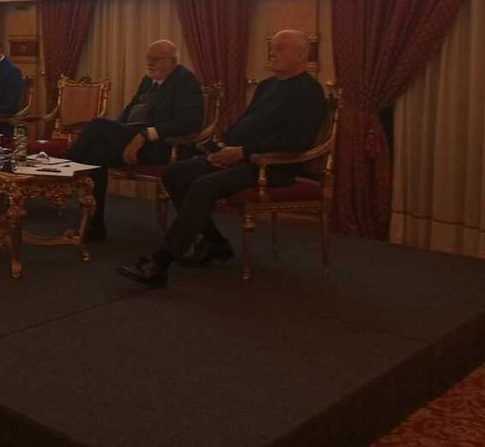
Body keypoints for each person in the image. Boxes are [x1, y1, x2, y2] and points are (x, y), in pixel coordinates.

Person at [117, 29, 326, 290]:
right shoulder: (267, 86)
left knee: (204, 186)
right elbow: (245, 123)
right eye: (272, 47)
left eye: (280, 48)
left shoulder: (310, 91)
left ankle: (160, 263)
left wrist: (242, 152)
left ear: (301, 55)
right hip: (239, 156)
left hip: (271, 166)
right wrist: (221, 145)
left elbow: (297, 140)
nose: (272, 53)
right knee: (174, 173)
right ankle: (214, 243)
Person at [66, 40, 203, 241]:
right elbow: (129, 112)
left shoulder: (184, 80)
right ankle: (95, 226)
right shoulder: (148, 80)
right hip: (136, 139)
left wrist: (146, 135)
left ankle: (66, 171)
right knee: (96, 152)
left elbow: (189, 123)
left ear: (172, 61)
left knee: (97, 124)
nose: (150, 64)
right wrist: (118, 135)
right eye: (148, 59)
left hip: (166, 146)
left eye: (156, 59)